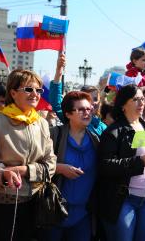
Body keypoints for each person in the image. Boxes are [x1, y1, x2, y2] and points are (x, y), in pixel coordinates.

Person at [0, 69, 56, 241]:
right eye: (28, 89)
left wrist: (25, 170)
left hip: (35, 202)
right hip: (3, 204)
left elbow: (51, 163)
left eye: (38, 90)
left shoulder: (42, 123)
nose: (35, 94)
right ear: (13, 93)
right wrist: (3, 174)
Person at [97, 84, 145, 241]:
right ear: (123, 105)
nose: (141, 103)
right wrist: (139, 162)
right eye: (136, 99)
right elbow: (105, 165)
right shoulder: (113, 132)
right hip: (123, 200)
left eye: (142, 99)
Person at [44, 91, 99, 241]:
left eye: (89, 109)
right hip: (54, 212)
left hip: (83, 215)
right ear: (68, 114)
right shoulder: (54, 135)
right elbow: (35, 163)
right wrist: (59, 168)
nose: (87, 113)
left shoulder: (96, 140)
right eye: (81, 109)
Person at [49, 52, 106, 137]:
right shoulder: (73, 119)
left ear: (99, 102)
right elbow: (56, 102)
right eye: (88, 100)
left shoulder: (103, 127)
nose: (93, 103)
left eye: (95, 99)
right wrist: (59, 72)